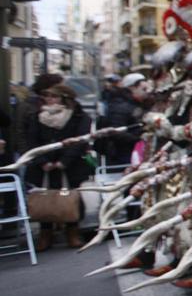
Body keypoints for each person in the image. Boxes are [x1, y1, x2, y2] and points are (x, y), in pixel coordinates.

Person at [26, 82, 93, 249]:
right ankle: (45, 233)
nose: (49, 99)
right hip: (44, 166)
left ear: (65, 99)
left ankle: (73, 231)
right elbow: (32, 141)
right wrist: (43, 162)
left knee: (70, 197)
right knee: (45, 198)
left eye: (54, 96)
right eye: (46, 96)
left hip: (70, 164)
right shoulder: (36, 117)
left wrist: (64, 161)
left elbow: (80, 140)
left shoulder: (79, 116)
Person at [98, 72, 147, 166]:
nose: (146, 92)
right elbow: (115, 132)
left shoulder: (133, 104)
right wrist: (139, 139)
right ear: (132, 88)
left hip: (130, 153)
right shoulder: (120, 106)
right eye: (143, 89)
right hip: (122, 156)